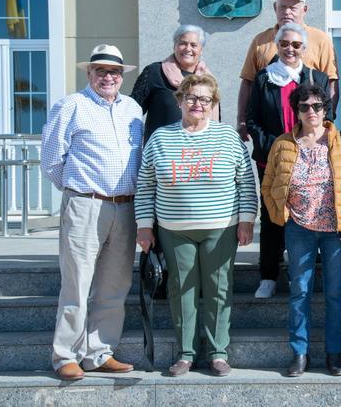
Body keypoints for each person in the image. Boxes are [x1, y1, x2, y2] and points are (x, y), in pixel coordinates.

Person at [134, 74, 257, 377]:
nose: (197, 104)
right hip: (174, 229)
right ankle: (186, 354)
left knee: (218, 289)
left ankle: (218, 353)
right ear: (179, 101)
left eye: (205, 99)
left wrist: (246, 221)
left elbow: (245, 184)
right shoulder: (160, 138)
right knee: (181, 290)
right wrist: (144, 226)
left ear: (214, 104)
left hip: (221, 227)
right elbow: (146, 184)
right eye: (191, 97)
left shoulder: (228, 137)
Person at [40, 44, 142, 381]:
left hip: (125, 207)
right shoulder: (72, 105)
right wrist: (78, 191)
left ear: (121, 76)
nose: (108, 77)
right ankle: (66, 355)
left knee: (115, 285)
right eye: (101, 71)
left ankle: (99, 352)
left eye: (114, 72)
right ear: (89, 74)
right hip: (85, 204)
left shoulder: (132, 108)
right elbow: (52, 160)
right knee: (77, 282)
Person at [261, 84, 341, 377]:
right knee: (300, 292)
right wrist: (281, 216)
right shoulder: (283, 144)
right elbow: (268, 184)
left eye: (317, 106)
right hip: (299, 228)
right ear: (296, 111)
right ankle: (299, 352)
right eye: (304, 106)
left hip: (336, 231)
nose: (311, 111)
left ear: (326, 109)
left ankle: (334, 354)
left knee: (335, 294)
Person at [246, 23, 332, 299]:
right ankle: (268, 276)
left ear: (304, 48)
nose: (290, 49)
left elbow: (325, 118)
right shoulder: (263, 78)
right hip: (271, 161)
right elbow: (252, 120)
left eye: (296, 45)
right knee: (272, 215)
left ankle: (305, 274)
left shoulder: (316, 77)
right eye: (285, 44)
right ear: (277, 46)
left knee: (308, 215)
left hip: (309, 159)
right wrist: (277, 148)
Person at [237, 0, 339, 141]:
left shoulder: (321, 40)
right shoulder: (260, 41)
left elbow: (331, 83)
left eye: (293, 8)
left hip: (310, 133)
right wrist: (242, 120)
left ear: (305, 10)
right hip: (270, 135)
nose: (287, 12)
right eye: (282, 7)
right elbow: (248, 82)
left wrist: (326, 123)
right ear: (274, 8)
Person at [131, 24, 218, 141]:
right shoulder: (154, 72)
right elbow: (131, 111)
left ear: (201, 50)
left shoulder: (208, 81)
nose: (188, 49)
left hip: (200, 152)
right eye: (182, 43)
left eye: (193, 45)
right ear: (174, 46)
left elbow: (215, 121)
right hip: (161, 151)